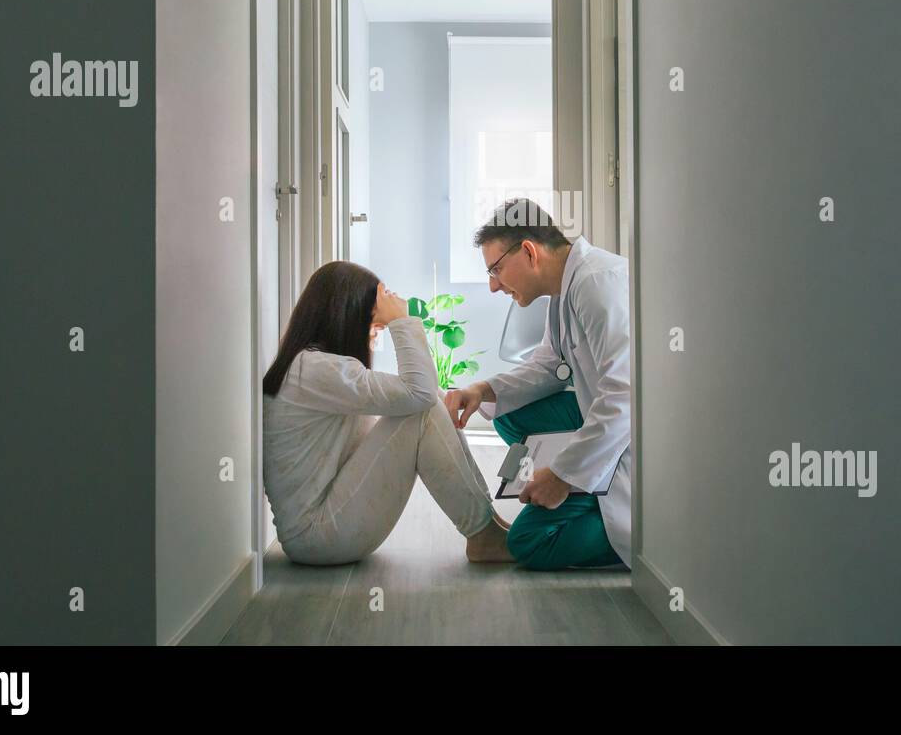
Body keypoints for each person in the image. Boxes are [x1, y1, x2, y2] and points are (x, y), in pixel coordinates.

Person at [262, 260, 514, 565]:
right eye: (372, 322)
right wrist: (401, 321)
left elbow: (419, 391)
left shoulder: (314, 367)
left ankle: (488, 523)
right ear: (346, 318)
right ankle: (483, 533)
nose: (375, 334)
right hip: (315, 536)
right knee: (425, 406)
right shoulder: (313, 370)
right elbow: (417, 394)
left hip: (322, 524)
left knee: (430, 398)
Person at [444, 199, 633, 571]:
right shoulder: (564, 293)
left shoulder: (597, 283)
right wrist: (482, 390)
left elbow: (626, 397)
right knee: (506, 415)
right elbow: (549, 367)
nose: (493, 285)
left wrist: (563, 476)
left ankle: (620, 522)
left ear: (529, 251)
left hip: (631, 441)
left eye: (496, 269)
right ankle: (538, 481)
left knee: (526, 541)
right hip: (599, 418)